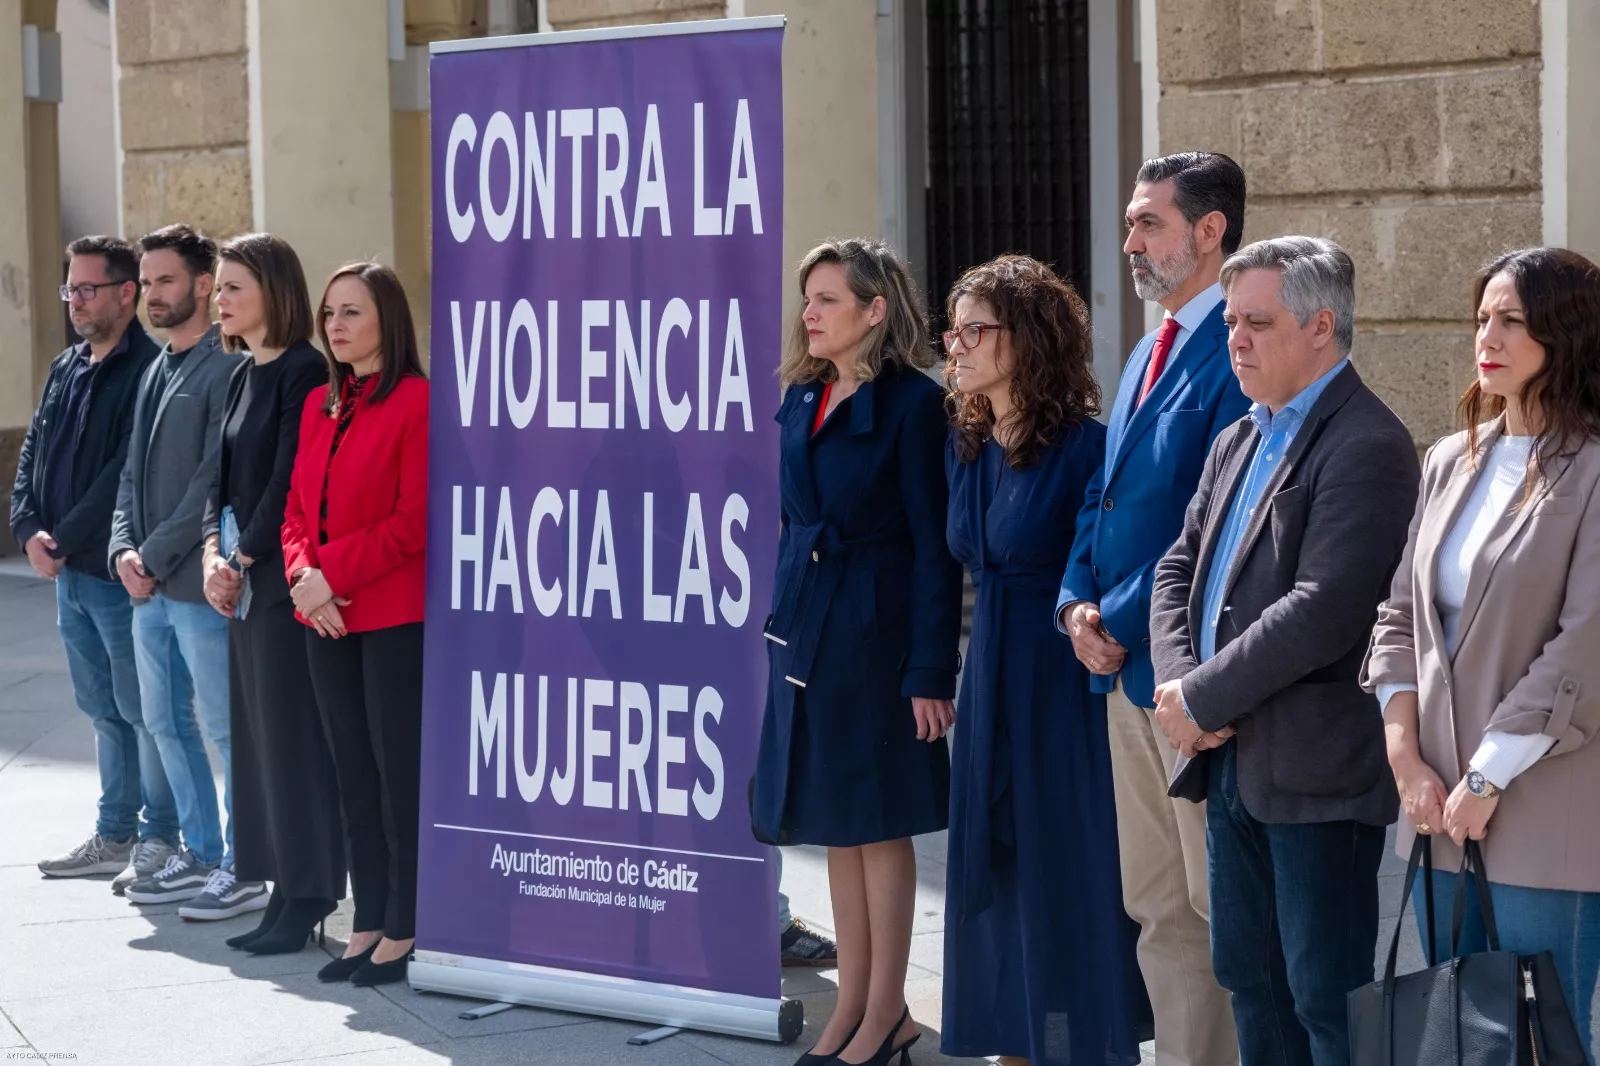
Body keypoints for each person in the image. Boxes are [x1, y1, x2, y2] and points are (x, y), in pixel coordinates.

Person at [1149, 236, 1419, 1066]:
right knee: (1251, 983)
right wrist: (1176, 685)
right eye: (1231, 320)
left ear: (1321, 326)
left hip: (1316, 776)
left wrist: (1200, 701)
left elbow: (1324, 609)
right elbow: (1177, 566)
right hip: (1233, 763)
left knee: (1322, 1000)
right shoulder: (1241, 435)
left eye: (1256, 322)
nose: (1235, 338)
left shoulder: (1367, 442)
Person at [1365, 247, 1600, 1063]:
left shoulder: (1596, 470)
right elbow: (1398, 615)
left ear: (1564, 336)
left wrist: (1487, 775)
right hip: (1433, 802)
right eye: (1481, 318)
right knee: (1459, 1034)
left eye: (1511, 320)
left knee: (1542, 1034)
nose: (1485, 336)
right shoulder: (1448, 459)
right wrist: (1405, 759)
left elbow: (1585, 646)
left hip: (1541, 800)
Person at [1054, 150, 1249, 1066]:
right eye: (1131, 221)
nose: (1129, 240)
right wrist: (1074, 602)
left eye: (1149, 223)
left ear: (1210, 232)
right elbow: (1105, 493)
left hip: (1185, 675)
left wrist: (1118, 621)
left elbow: (1207, 527)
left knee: (1217, 906)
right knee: (1157, 906)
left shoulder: (1236, 350)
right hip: (1118, 671)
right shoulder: (1146, 345)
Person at [751, 238, 962, 1066]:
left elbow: (932, 548)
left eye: (828, 299)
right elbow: (789, 518)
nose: (809, 313)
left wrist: (927, 671)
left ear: (875, 311)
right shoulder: (805, 395)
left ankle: (887, 1013)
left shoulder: (915, 405)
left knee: (881, 827)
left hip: (876, 636)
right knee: (836, 826)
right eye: (808, 298)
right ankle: (854, 1013)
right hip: (807, 628)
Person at [940, 255, 1139, 1066]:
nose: (956, 345)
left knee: (1067, 863)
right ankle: (1013, 1044)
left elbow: (1110, 561)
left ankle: (1084, 1045)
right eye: (952, 329)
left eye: (974, 329)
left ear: (1027, 339)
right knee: (999, 863)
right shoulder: (970, 442)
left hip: (1059, 681)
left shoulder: (1087, 448)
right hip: (987, 671)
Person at [197, 232, 345, 955]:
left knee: (292, 746)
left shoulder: (303, 371)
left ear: (273, 292)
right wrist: (210, 555)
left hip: (282, 588)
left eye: (231, 288)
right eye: (218, 288)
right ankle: (279, 887)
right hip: (241, 587)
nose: (217, 300)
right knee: (257, 745)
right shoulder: (237, 374)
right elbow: (216, 483)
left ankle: (308, 891)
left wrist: (244, 555)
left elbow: (291, 479)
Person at [282, 261, 428, 986]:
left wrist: (329, 575)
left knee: (397, 772)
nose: (335, 326)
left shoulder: (417, 402)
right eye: (330, 313)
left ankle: (406, 924)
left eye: (352, 312)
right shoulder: (319, 405)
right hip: (325, 619)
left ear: (386, 321)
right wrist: (304, 582)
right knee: (353, 774)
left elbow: (414, 522)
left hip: (393, 615)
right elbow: (296, 513)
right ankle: (367, 918)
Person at [110, 225, 260, 916]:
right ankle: (199, 851)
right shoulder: (154, 368)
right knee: (162, 722)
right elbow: (129, 479)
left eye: (165, 280)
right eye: (146, 282)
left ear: (203, 284)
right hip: (146, 589)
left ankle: (243, 859)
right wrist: (121, 550)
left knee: (224, 728)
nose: (151, 294)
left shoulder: (226, 368)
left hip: (195, 586)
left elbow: (212, 479)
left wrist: (158, 554)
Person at [20, 236, 176, 892]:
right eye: (70, 290)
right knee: (101, 708)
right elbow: (35, 445)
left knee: (144, 709)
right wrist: (28, 525)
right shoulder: (67, 366)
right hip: (70, 575)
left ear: (126, 293)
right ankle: (114, 833)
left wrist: (65, 537)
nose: (76, 301)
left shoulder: (149, 368)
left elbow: (124, 472)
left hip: (115, 571)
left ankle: (160, 836)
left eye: (88, 289)